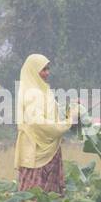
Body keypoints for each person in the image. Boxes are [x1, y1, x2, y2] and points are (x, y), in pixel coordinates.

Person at [15, 53, 75, 194]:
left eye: (48, 69)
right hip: (36, 151)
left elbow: (53, 112)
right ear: (33, 71)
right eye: (43, 69)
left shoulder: (43, 91)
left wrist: (71, 110)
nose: (47, 73)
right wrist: (65, 125)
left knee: (49, 200)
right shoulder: (33, 94)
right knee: (33, 197)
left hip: (48, 150)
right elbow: (38, 122)